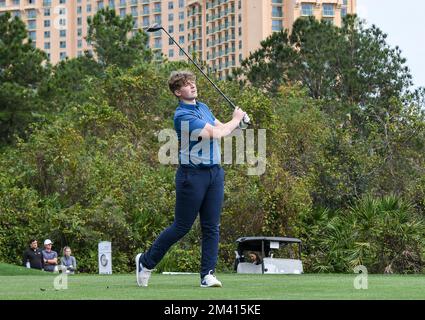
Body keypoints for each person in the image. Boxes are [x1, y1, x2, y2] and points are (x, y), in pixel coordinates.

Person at [135, 70, 247, 288]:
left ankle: (207, 275)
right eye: (186, 85)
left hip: (214, 173)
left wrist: (239, 124)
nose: (192, 86)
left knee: (212, 226)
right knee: (182, 226)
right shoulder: (182, 117)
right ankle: (146, 261)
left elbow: (222, 128)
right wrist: (235, 119)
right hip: (191, 176)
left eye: (192, 82)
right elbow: (216, 134)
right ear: (178, 92)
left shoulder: (203, 107)